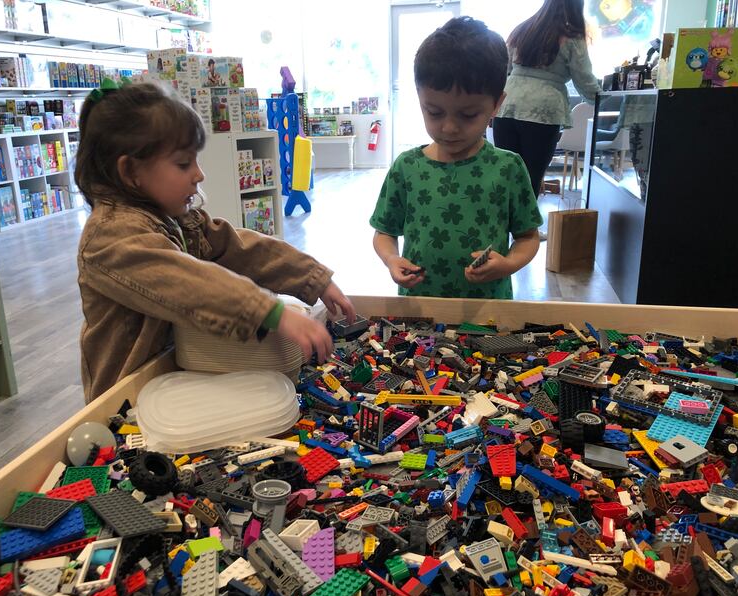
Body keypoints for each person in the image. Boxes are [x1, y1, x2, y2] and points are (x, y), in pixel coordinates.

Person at [76, 80, 355, 402]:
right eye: (183, 164)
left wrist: (312, 277)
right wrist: (270, 311)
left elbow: (239, 247)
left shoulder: (173, 217)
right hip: (128, 398)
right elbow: (189, 283)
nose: (199, 174)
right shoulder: (112, 238)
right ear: (130, 172)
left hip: (175, 378)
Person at [370, 17, 542, 299]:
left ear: (496, 104)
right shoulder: (407, 166)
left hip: (487, 310)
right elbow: (384, 232)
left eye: (468, 115)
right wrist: (391, 259)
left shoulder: (508, 168)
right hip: (420, 311)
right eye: (434, 112)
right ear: (420, 99)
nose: (449, 127)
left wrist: (508, 264)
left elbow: (528, 236)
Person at [494, 0, 603, 199]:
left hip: (507, 106)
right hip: (542, 112)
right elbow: (584, 78)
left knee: (506, 176)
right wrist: (599, 98)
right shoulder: (571, 36)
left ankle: (501, 228)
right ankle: (526, 230)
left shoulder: (522, 30)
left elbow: (504, 69)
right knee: (531, 179)